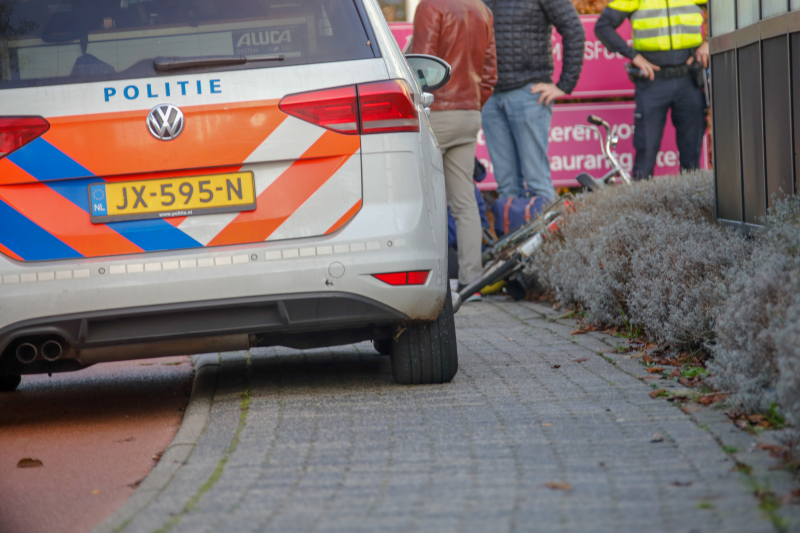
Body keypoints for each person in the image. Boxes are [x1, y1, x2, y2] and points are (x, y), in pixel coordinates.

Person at [411, 0, 497, 291]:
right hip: (470, 113)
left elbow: (421, 68)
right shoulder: (482, 10)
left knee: (418, 195)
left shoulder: (431, 7)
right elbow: (489, 75)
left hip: (438, 112)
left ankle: (424, 281)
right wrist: (470, 106)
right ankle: (472, 281)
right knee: (465, 202)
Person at [481, 0, 584, 201]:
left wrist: (564, 85)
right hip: (490, 97)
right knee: (506, 187)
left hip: (527, 94)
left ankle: (549, 233)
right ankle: (516, 232)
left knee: (537, 183)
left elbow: (573, 29)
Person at [595, 0, 708, 181]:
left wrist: (710, 42)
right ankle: (639, 207)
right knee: (646, 152)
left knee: (692, 156)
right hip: (653, 81)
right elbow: (603, 26)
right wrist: (634, 56)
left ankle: (695, 207)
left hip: (689, 79)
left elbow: (729, 10)